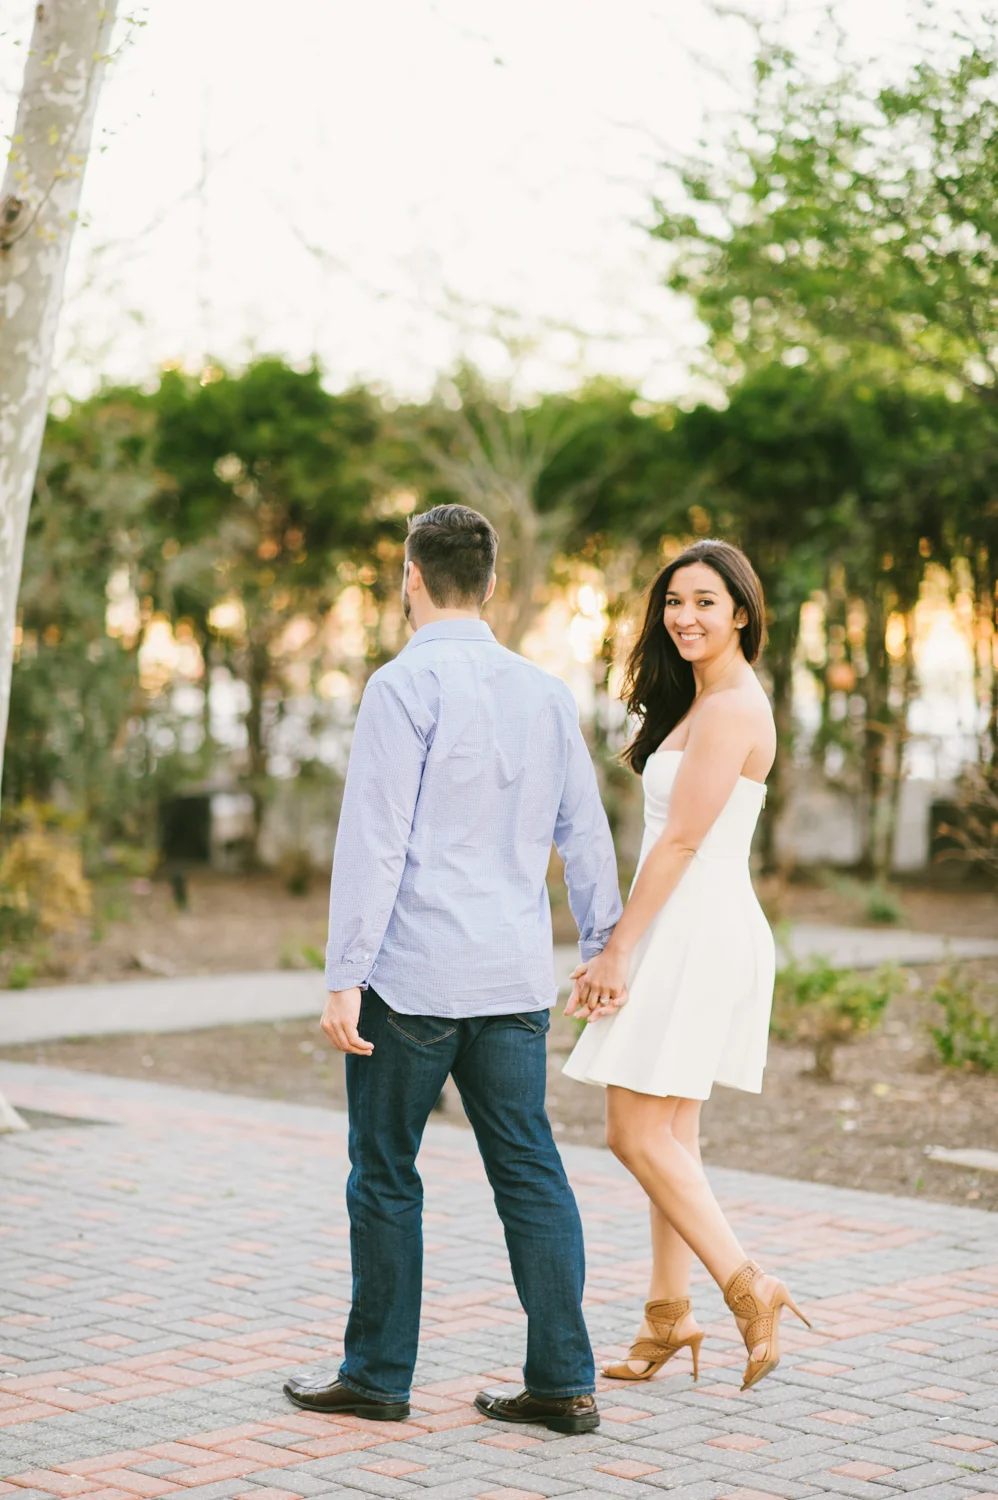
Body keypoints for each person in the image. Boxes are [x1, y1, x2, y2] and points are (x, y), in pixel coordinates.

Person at [283, 503, 622, 1434]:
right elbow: (584, 833)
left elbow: (375, 842)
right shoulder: (546, 693)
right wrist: (600, 945)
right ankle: (563, 1383)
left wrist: (344, 972)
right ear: (491, 584)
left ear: (410, 577)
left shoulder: (401, 686)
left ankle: (378, 1377)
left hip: (413, 982)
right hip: (512, 981)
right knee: (530, 1171)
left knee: (385, 1170)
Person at [563, 539, 811, 1393]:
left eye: (706, 601)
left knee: (633, 1133)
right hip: (691, 923)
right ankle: (668, 1318)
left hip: (694, 930)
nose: (685, 617)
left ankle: (749, 1287)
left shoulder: (736, 705)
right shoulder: (699, 700)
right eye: (674, 602)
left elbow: (680, 838)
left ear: (741, 611)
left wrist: (615, 951)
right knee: (671, 1139)